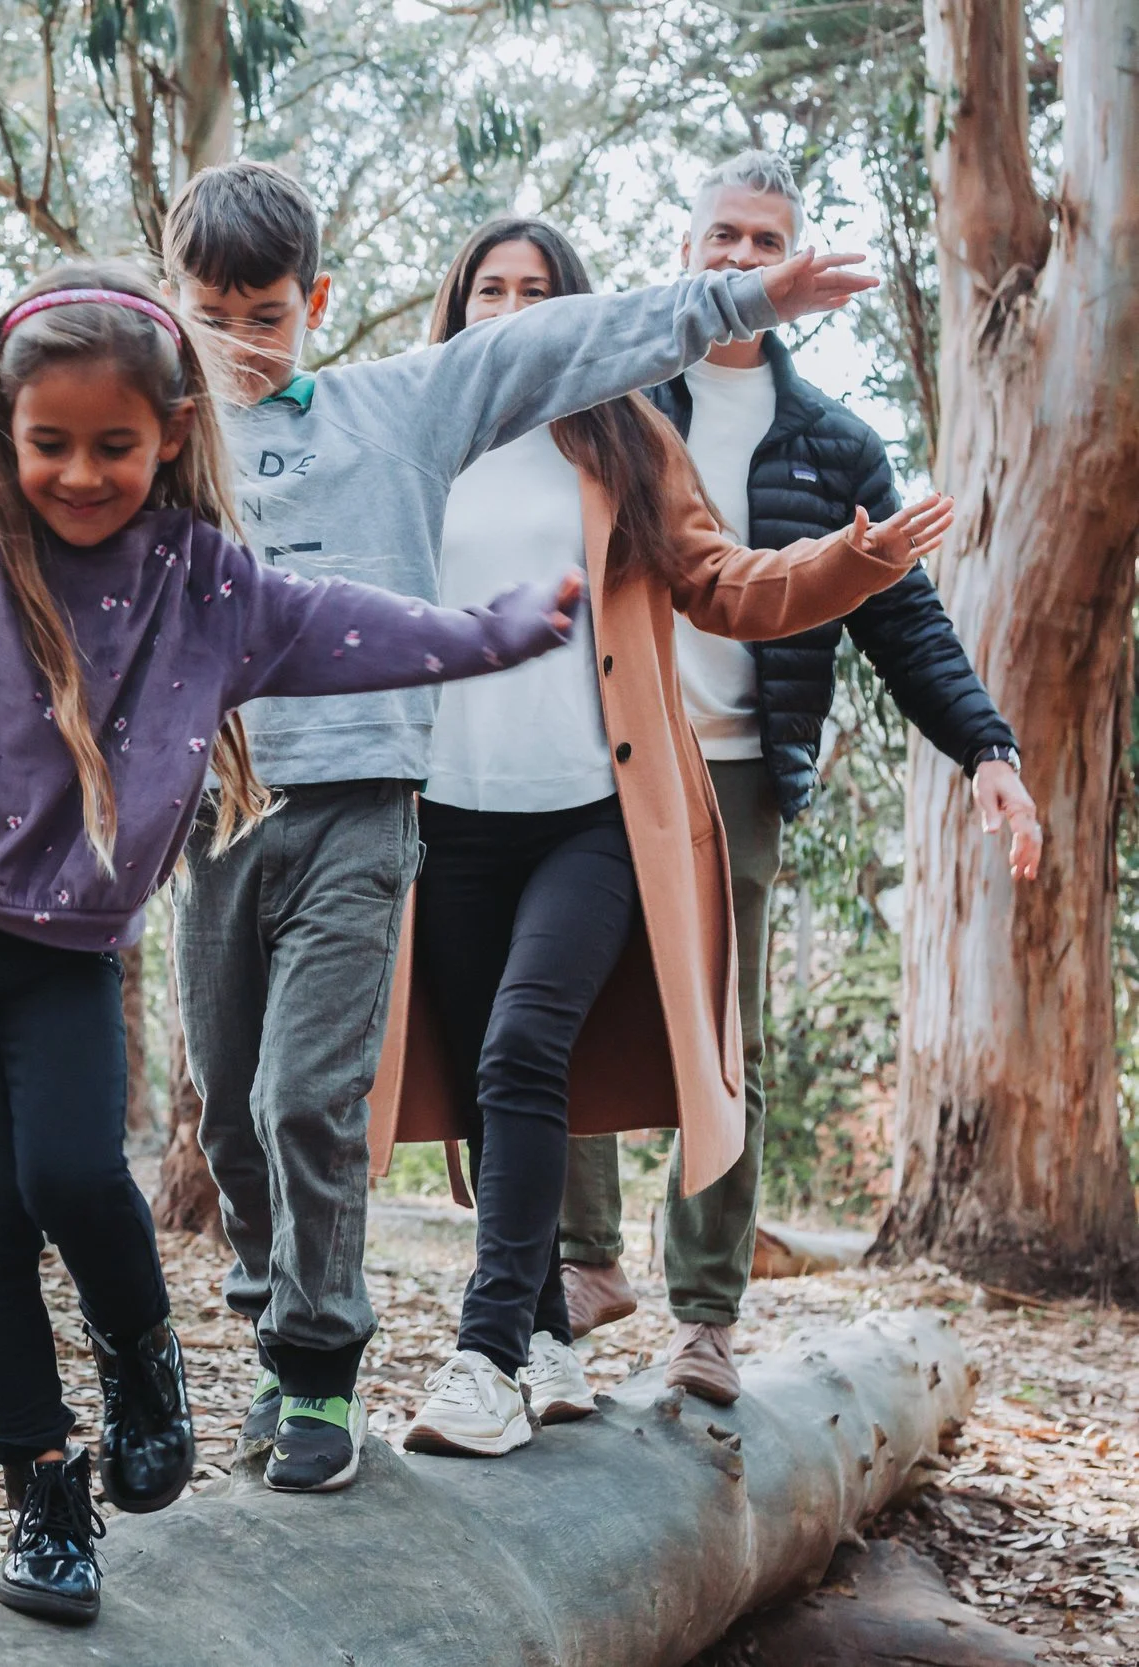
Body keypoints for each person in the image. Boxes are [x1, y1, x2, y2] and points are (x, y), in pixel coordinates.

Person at [0, 159, 883, 1494]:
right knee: (231, 1110)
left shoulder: (400, 407)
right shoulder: (148, 440)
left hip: (360, 803)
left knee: (309, 1093)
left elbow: (564, 336)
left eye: (268, 318)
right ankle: (257, 1316)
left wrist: (740, 293)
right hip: (215, 812)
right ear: (174, 317)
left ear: (316, 303)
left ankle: (315, 1364)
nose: (240, 348)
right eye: (212, 318)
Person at [0, 259, 576, 1622]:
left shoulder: (206, 583)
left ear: (174, 435)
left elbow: (349, 625)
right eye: (49, 443)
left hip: (67, 947)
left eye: (115, 446)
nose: (80, 474)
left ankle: (143, 1352)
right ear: (1, 427)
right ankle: (44, 1490)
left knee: (80, 1174)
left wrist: (496, 633)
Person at [361, 218, 949, 1457]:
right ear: (455, 307)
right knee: (483, 1084)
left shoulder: (625, 436)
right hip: (447, 817)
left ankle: (482, 1357)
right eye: (487, 290)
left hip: (593, 815)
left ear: (575, 314)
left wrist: (856, 561)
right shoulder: (413, 433)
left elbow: (727, 585)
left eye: (536, 290)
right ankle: (546, 1337)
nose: (509, 309)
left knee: (525, 1047)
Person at [557, 151, 1042, 1407]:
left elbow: (905, 619)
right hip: (602, 752)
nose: (735, 259)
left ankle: (704, 1316)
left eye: (761, 242)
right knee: (554, 1000)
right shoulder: (608, 402)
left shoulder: (831, 440)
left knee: (726, 1039)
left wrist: (988, 749)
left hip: (736, 774)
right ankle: (578, 1262)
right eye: (719, 235)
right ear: (683, 249)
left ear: (794, 267)